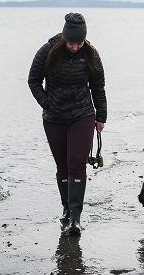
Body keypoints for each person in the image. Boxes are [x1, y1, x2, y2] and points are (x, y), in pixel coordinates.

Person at [28, 12, 107, 236]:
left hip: (82, 114)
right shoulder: (47, 52)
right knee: (62, 166)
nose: (75, 47)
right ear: (64, 39)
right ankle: (65, 207)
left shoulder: (91, 54)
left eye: (79, 43)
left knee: (76, 164)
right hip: (54, 117)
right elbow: (33, 80)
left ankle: (75, 218)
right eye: (71, 43)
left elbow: (98, 87)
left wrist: (101, 116)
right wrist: (46, 103)